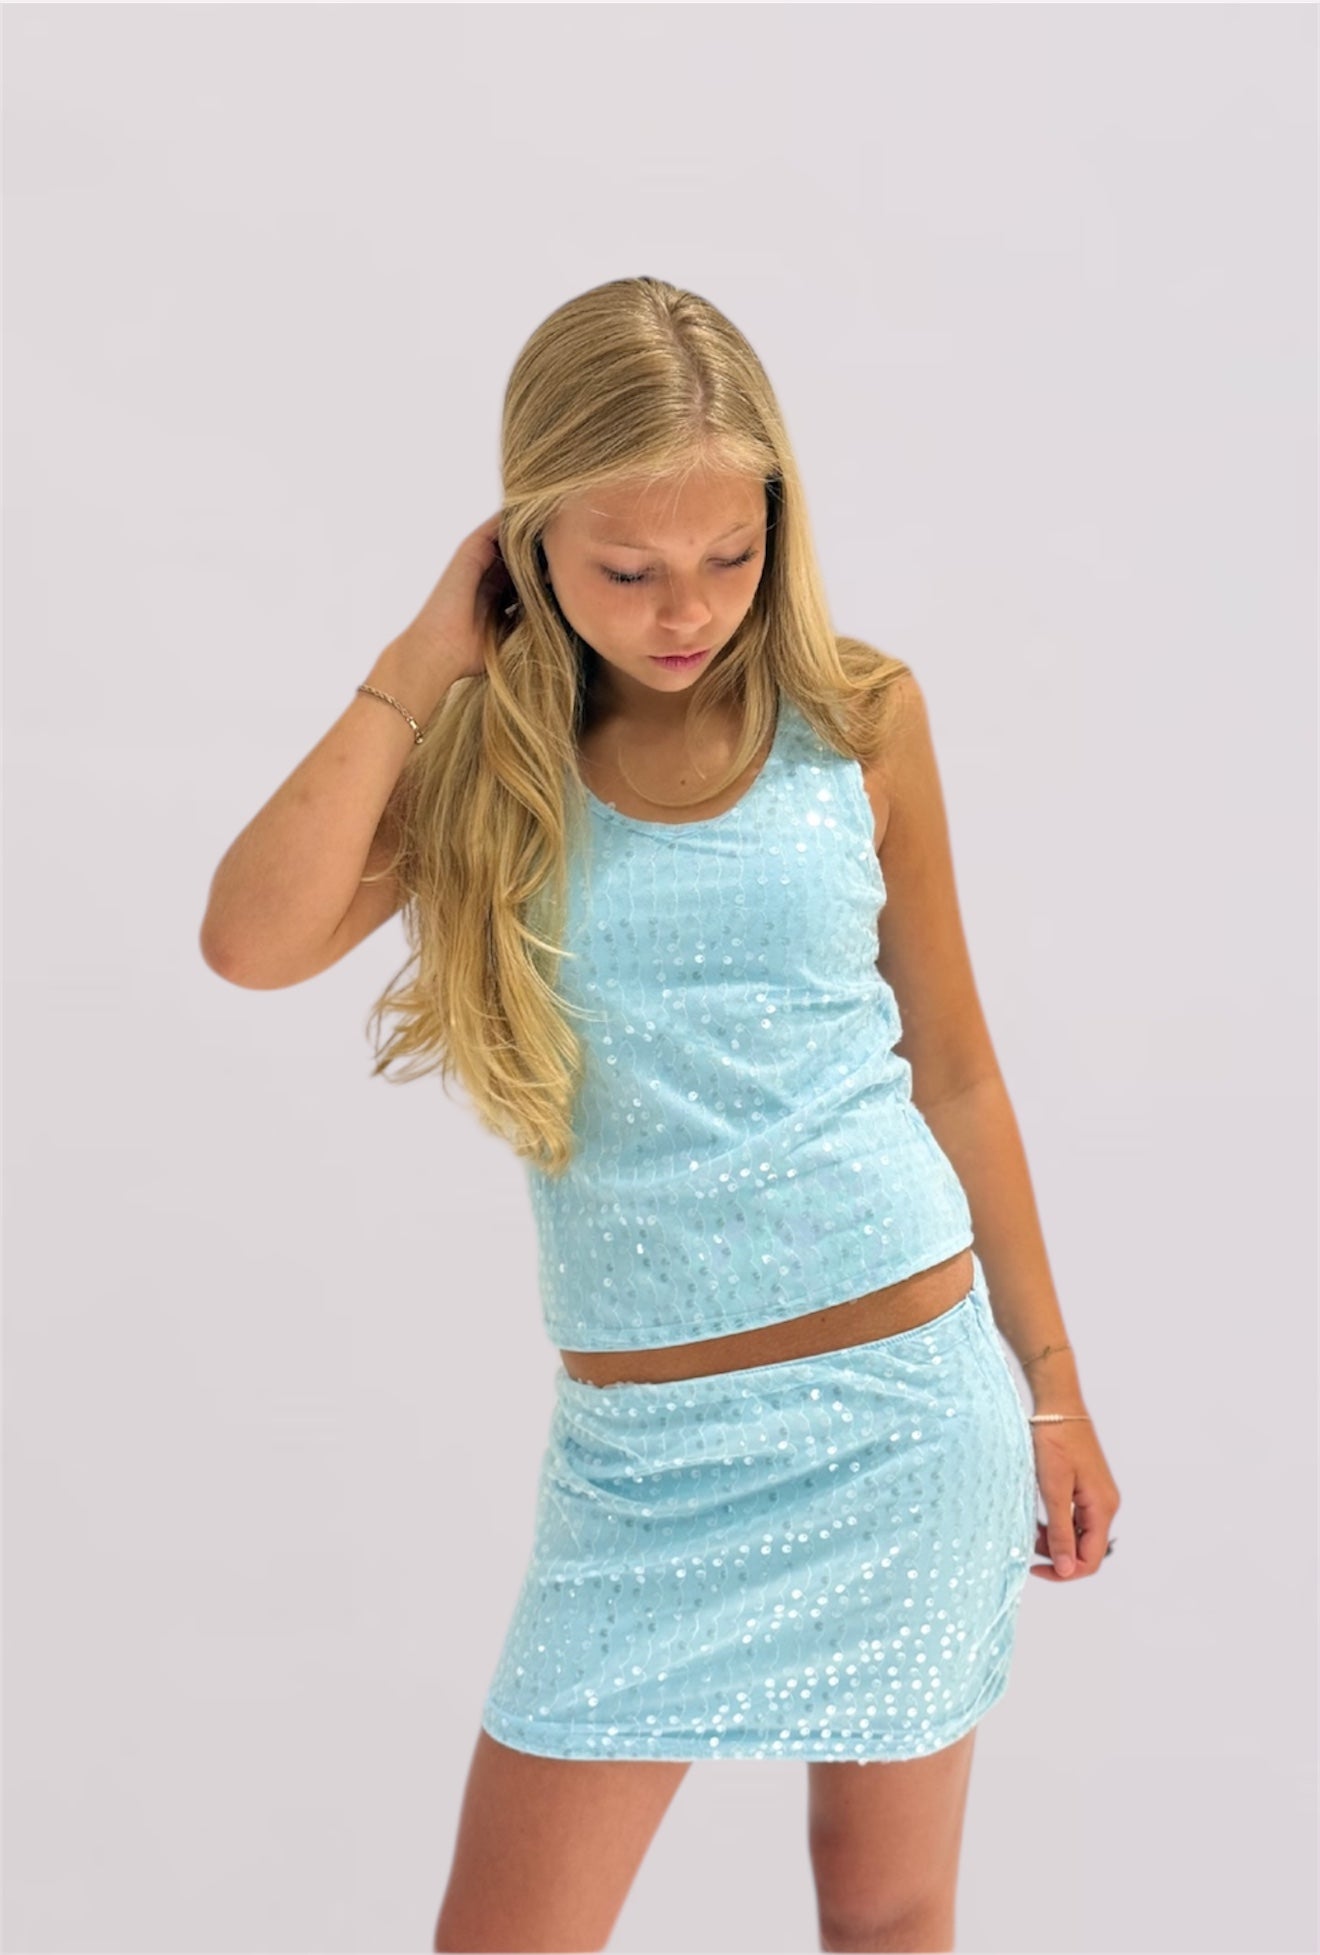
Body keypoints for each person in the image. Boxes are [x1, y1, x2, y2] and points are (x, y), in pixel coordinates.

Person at [200, 275, 1121, 1955]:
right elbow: (248, 942)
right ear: (527, 544)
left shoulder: (861, 721)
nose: (686, 609)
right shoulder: (485, 765)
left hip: (903, 1418)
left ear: (781, 522)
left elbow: (956, 1068)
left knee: (887, 1914)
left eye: (730, 554)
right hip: (637, 1477)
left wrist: (1050, 1385)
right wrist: (416, 665)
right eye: (627, 569)